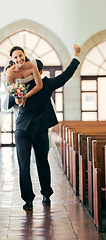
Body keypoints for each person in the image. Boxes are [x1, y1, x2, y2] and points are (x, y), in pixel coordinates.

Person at [8, 44, 81, 211]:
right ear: (40, 72)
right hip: (31, 129)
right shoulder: (34, 85)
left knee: (25, 164)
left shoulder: (26, 84)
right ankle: (45, 194)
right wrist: (76, 56)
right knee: (40, 162)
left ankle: (30, 199)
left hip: (26, 129)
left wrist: (16, 96)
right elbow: (66, 75)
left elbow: (7, 104)